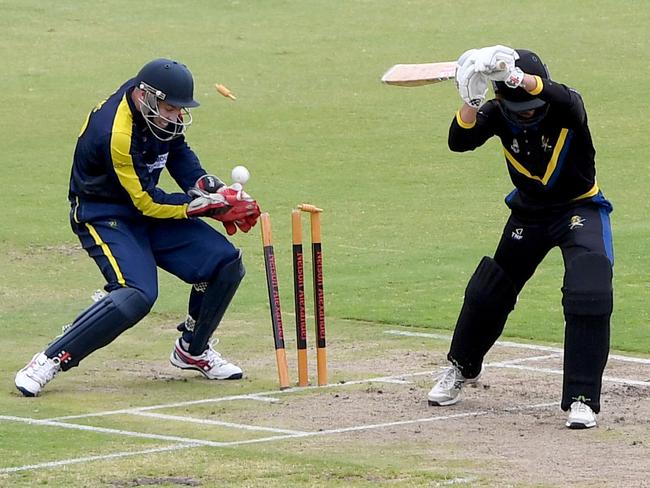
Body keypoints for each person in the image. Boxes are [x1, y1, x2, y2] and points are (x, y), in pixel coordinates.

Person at [15, 58, 260, 397]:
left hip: (145, 206)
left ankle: (193, 349)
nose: (177, 117)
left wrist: (213, 190)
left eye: (179, 110)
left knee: (225, 263)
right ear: (147, 97)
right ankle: (50, 359)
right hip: (103, 214)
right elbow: (146, 200)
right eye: (172, 109)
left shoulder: (155, 107)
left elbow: (178, 154)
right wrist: (201, 208)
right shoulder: (115, 132)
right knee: (136, 293)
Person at [427, 46, 613, 429]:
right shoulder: (498, 112)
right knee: (489, 290)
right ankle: (460, 368)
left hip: (579, 208)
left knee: (589, 289)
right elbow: (458, 141)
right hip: (529, 212)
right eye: (517, 109)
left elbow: (564, 96)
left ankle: (582, 400)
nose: (526, 116)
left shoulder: (563, 106)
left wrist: (518, 79)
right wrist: (469, 100)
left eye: (531, 107)